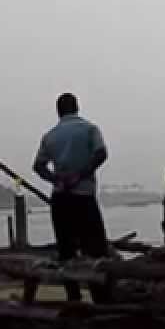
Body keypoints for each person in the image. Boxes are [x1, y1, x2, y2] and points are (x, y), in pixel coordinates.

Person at [34, 92, 110, 301]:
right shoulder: (89, 129)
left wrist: (56, 179)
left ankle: (74, 298)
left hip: (61, 198)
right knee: (95, 249)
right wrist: (81, 174)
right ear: (77, 107)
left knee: (66, 251)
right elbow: (101, 153)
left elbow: (38, 166)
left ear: (58, 111)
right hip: (84, 196)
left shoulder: (50, 136)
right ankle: (101, 298)